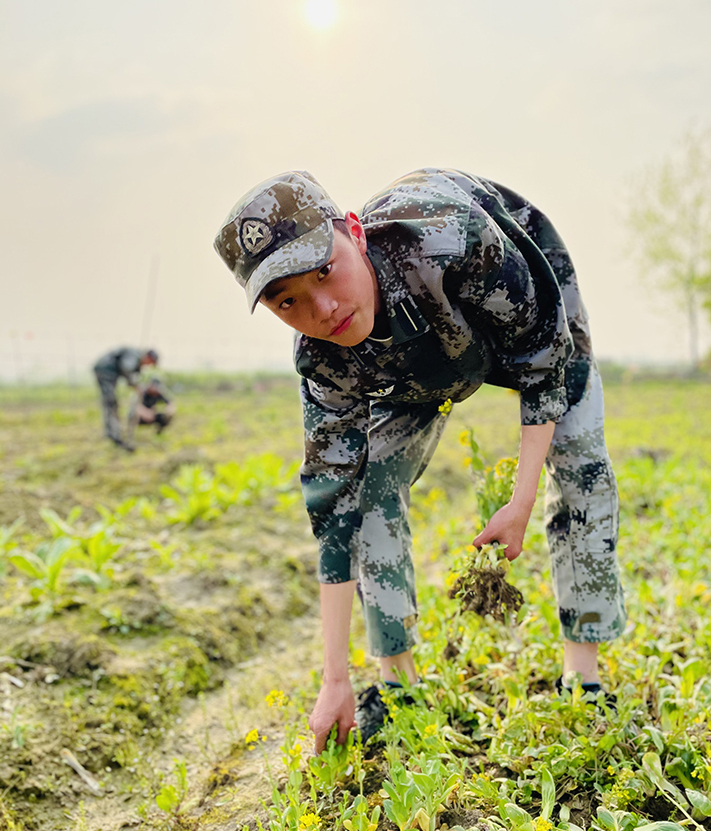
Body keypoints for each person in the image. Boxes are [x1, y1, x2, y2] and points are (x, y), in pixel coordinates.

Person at [214, 169, 626, 753]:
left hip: (515, 318)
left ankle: (584, 679)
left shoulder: (448, 239)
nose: (322, 308)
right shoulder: (324, 362)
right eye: (288, 301)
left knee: (582, 467)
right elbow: (334, 509)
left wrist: (520, 500)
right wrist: (335, 679)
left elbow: (541, 360)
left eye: (325, 270)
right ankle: (397, 685)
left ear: (355, 232)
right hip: (411, 369)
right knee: (369, 489)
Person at [92, 347, 158, 450]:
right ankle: (113, 434)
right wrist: (135, 384)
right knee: (110, 402)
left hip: (108, 372)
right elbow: (126, 368)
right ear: (148, 357)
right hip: (105, 372)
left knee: (111, 403)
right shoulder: (134, 356)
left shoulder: (136, 358)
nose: (147, 366)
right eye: (149, 363)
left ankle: (113, 432)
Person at [127, 377, 176, 444]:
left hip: (151, 415)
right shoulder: (142, 392)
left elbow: (170, 403)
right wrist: (145, 413)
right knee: (134, 415)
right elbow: (135, 406)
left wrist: (169, 410)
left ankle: (159, 434)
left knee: (164, 417)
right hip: (139, 416)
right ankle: (130, 437)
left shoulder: (158, 393)